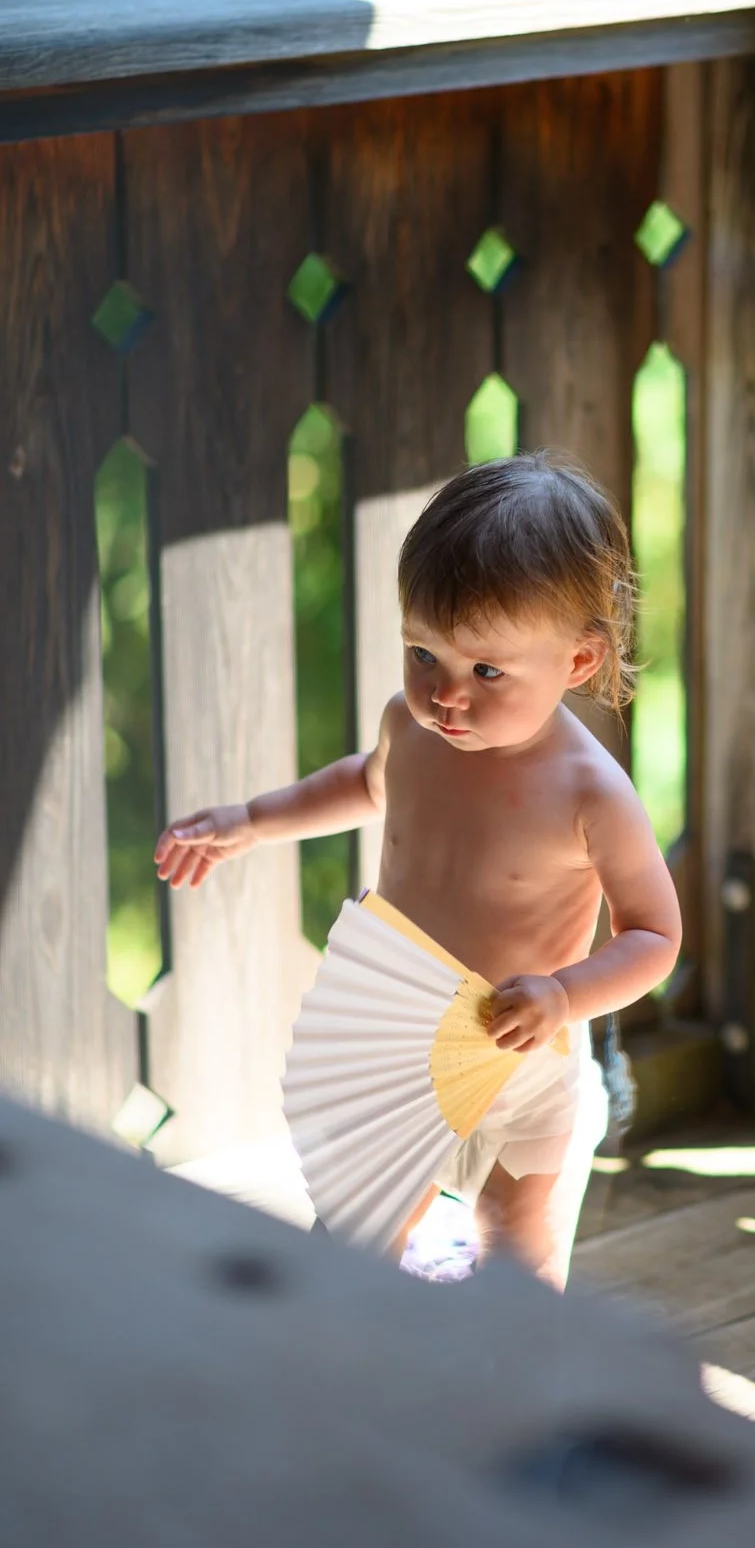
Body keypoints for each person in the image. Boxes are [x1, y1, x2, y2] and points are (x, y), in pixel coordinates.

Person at [154, 452, 682, 1288]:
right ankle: (355, 1357)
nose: (447, 695)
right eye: (422, 653)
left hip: (522, 1051)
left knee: (519, 1242)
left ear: (577, 663)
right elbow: (362, 783)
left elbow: (655, 933)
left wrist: (565, 994)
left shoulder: (588, 792)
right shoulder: (411, 728)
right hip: (398, 1037)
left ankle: (509, 1387)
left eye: (486, 671)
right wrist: (250, 822)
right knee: (360, 1217)